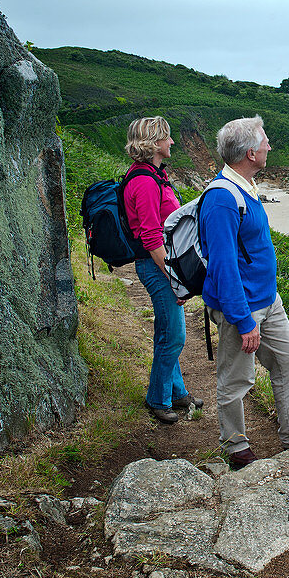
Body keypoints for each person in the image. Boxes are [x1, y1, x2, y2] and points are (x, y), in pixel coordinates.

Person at [200, 115, 289, 468]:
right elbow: (223, 266)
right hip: (241, 306)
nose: (269, 146)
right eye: (264, 141)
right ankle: (235, 447)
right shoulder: (222, 199)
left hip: (267, 300)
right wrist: (243, 320)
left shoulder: (246, 185)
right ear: (249, 152)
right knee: (236, 378)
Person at [123, 116, 203, 424]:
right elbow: (151, 235)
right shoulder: (144, 181)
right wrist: (174, 278)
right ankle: (158, 398)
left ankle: (178, 392)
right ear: (155, 143)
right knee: (174, 336)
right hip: (155, 266)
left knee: (168, 331)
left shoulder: (154, 175)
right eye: (167, 138)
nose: (171, 142)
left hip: (160, 264)